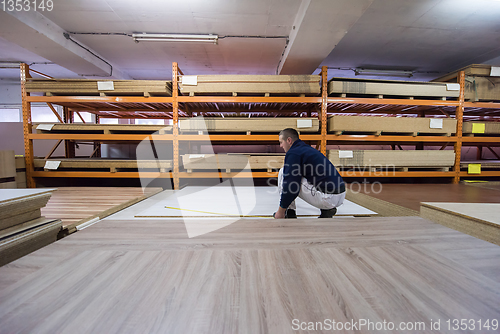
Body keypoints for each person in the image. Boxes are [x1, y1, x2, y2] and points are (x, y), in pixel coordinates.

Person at [274, 128, 345, 219]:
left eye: (281, 142)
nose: (280, 146)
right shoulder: (306, 149)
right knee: (295, 175)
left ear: (289, 140)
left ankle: (288, 212)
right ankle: (326, 210)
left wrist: (280, 211)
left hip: (328, 198)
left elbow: (291, 186)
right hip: (340, 194)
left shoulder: (293, 153)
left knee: (283, 173)